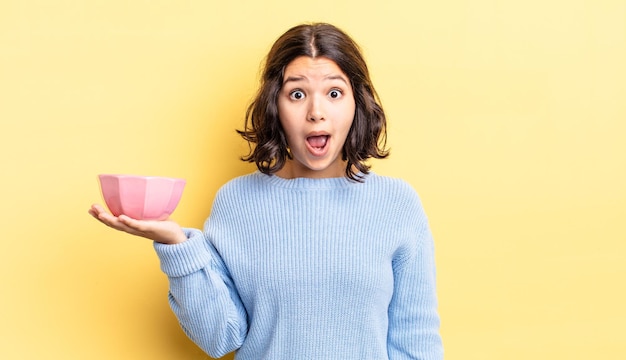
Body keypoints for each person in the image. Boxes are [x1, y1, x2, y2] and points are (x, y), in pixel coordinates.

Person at [89, 22, 443, 359]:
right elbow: (219, 337)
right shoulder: (237, 201)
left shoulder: (397, 204)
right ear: (275, 104)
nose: (316, 112)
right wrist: (176, 247)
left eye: (334, 93)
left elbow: (416, 341)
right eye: (297, 94)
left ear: (357, 103)